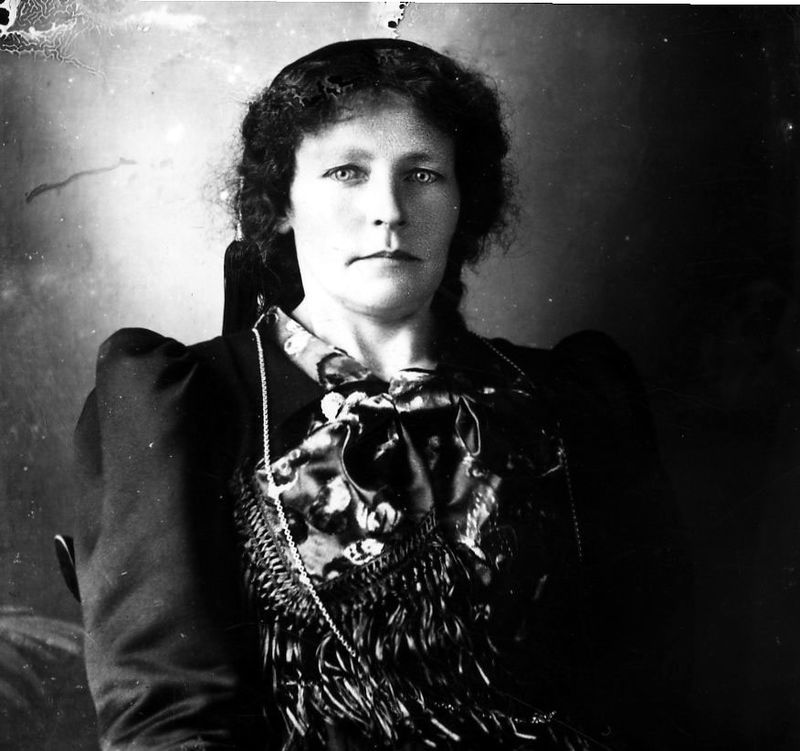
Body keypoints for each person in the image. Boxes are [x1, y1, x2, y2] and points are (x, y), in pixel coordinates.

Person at [67, 38, 693, 751]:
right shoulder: (185, 402)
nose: (389, 210)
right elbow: (169, 720)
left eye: (423, 174)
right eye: (346, 172)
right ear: (280, 202)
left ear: (462, 200)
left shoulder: (572, 395)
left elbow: (660, 687)